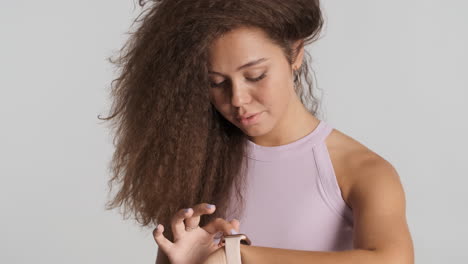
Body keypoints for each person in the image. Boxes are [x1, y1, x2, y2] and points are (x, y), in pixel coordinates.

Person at [100, 0, 414, 263]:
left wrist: (236, 254)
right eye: (217, 82)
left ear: (295, 53)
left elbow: (392, 260)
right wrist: (189, 256)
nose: (237, 100)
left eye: (255, 75)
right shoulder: (197, 165)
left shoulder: (360, 170)